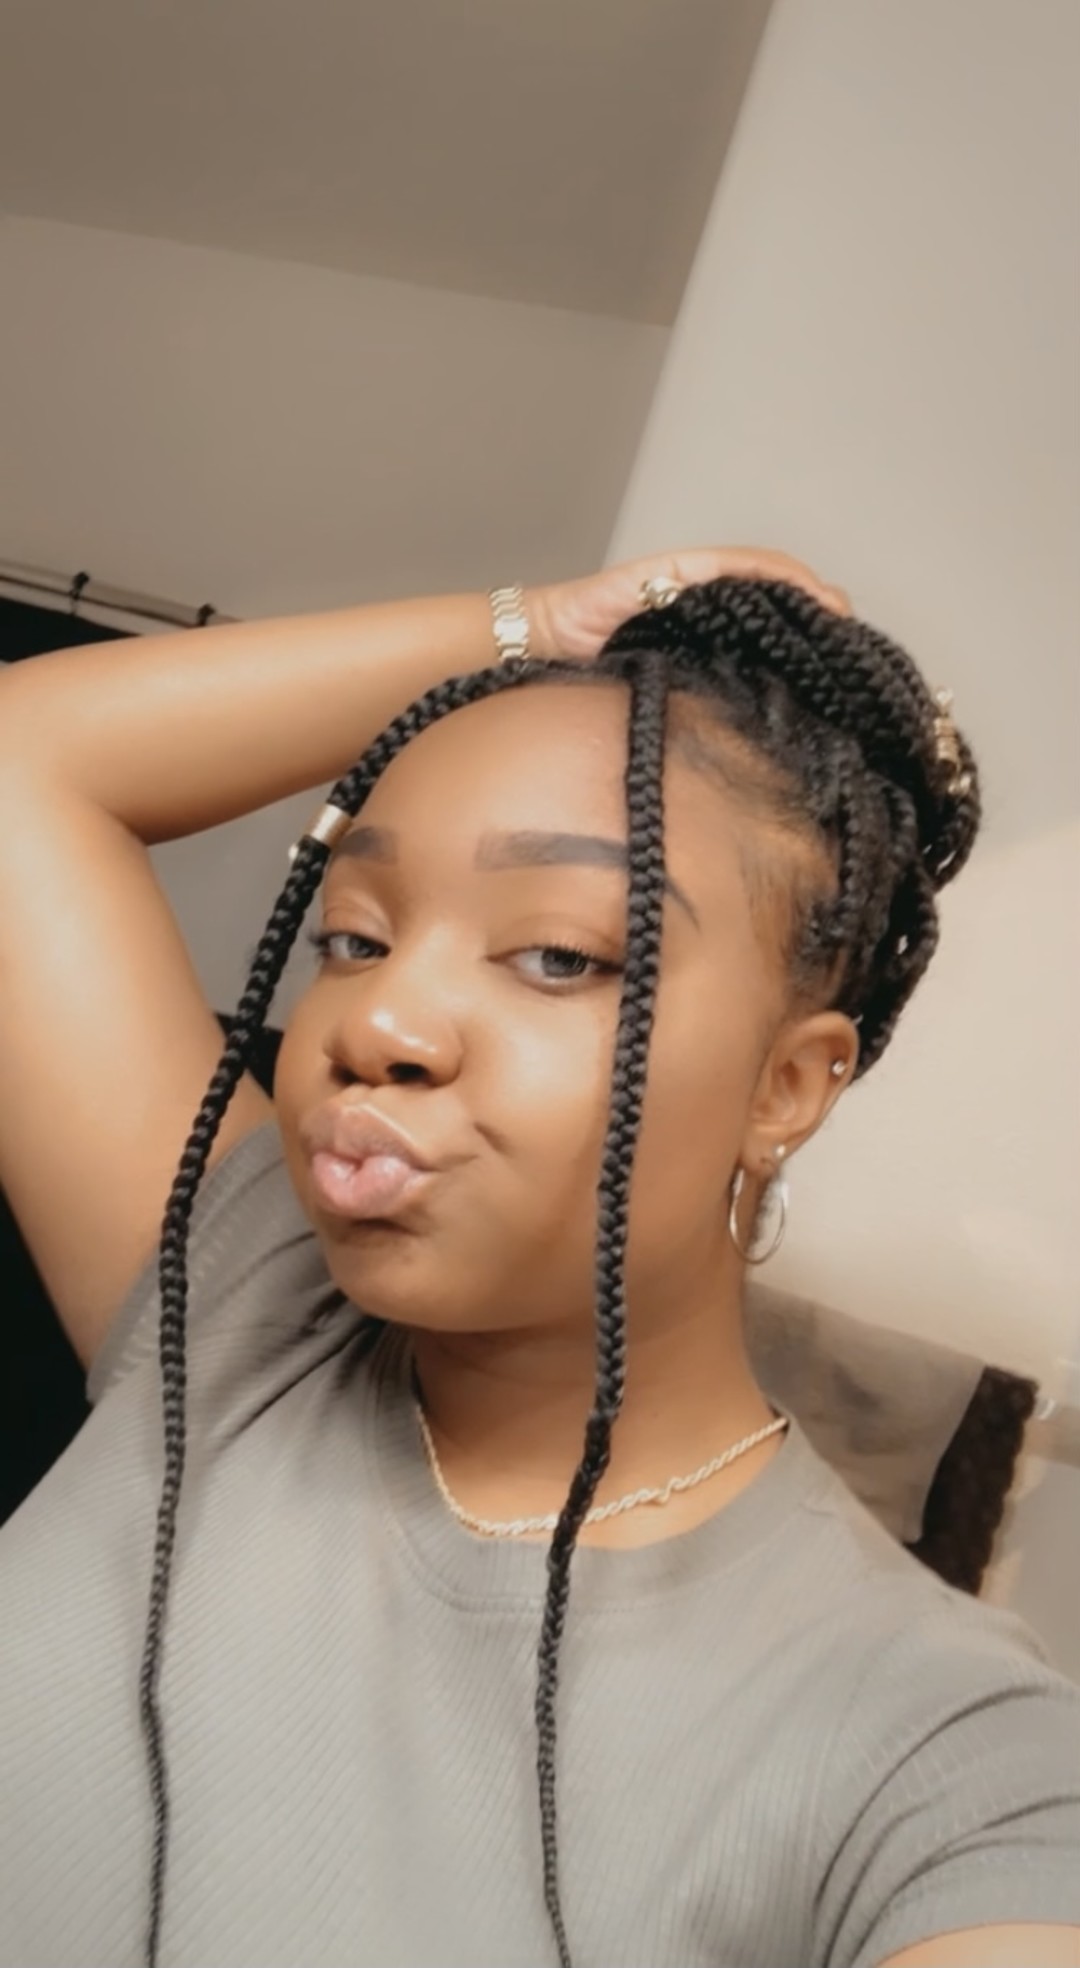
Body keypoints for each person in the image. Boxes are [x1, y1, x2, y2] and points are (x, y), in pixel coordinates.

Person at [0, 545, 1077, 1968]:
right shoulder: (241, 1302)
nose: (380, 1022)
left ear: (786, 1087)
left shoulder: (946, 1756)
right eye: (355, 937)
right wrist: (533, 625)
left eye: (560, 956)